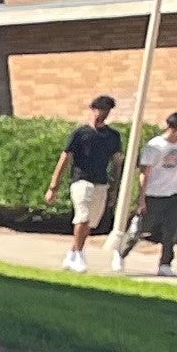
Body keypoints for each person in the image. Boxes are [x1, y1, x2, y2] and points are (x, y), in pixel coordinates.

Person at [49, 94, 124, 271]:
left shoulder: (113, 136)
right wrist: (54, 186)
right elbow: (65, 158)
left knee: (90, 222)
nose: (103, 114)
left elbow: (117, 162)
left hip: (101, 182)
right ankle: (79, 256)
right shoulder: (80, 134)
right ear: (92, 109)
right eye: (100, 109)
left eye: (106, 111)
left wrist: (115, 187)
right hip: (81, 180)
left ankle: (72, 253)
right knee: (82, 217)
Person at [134, 110, 177, 277]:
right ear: (169, 128)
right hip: (154, 194)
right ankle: (121, 252)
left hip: (174, 195)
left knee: (171, 231)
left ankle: (165, 264)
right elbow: (145, 173)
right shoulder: (155, 146)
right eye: (176, 130)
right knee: (142, 229)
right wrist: (142, 198)